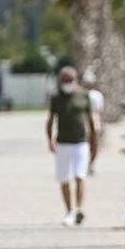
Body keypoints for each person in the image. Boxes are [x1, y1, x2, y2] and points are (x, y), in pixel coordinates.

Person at [47, 66, 97, 226]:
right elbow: (50, 120)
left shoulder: (84, 96)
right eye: (64, 80)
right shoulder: (56, 98)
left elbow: (91, 120)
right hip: (62, 143)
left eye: (70, 80)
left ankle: (79, 209)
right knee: (64, 178)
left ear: (75, 80)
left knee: (80, 175)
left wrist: (94, 142)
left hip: (81, 143)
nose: (67, 83)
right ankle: (69, 210)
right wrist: (50, 140)